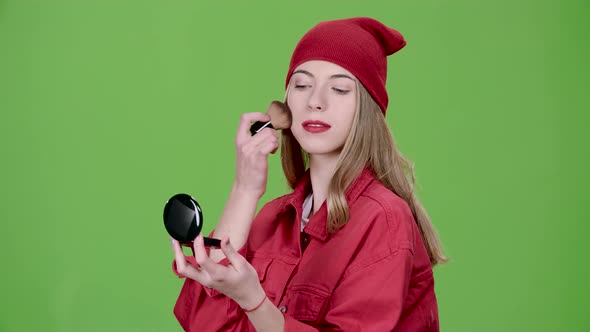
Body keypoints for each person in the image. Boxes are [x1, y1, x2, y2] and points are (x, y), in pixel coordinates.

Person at [170, 17, 446, 331]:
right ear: (285, 108)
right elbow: (202, 324)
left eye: (340, 89)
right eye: (301, 85)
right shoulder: (273, 220)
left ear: (368, 110)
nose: (315, 101)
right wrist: (244, 190)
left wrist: (255, 302)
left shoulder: (383, 218)